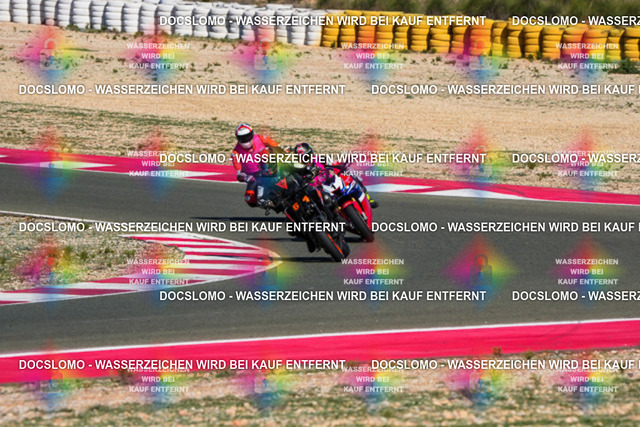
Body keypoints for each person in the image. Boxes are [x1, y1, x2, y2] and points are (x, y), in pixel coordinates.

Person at [292, 142, 379, 209]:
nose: (304, 160)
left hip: (331, 181)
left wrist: (342, 165)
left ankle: (367, 198)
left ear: (311, 154)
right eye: (300, 158)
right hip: (321, 193)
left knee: (350, 172)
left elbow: (333, 163)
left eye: (305, 157)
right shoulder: (299, 170)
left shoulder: (319, 159)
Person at [231, 123, 281, 207]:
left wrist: (282, 150)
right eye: (242, 138)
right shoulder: (236, 152)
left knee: (265, 152)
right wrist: (245, 177)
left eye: (247, 136)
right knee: (249, 199)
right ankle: (265, 200)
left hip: (268, 167)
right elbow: (239, 171)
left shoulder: (261, 138)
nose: (246, 140)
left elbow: (276, 145)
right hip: (254, 176)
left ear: (252, 134)